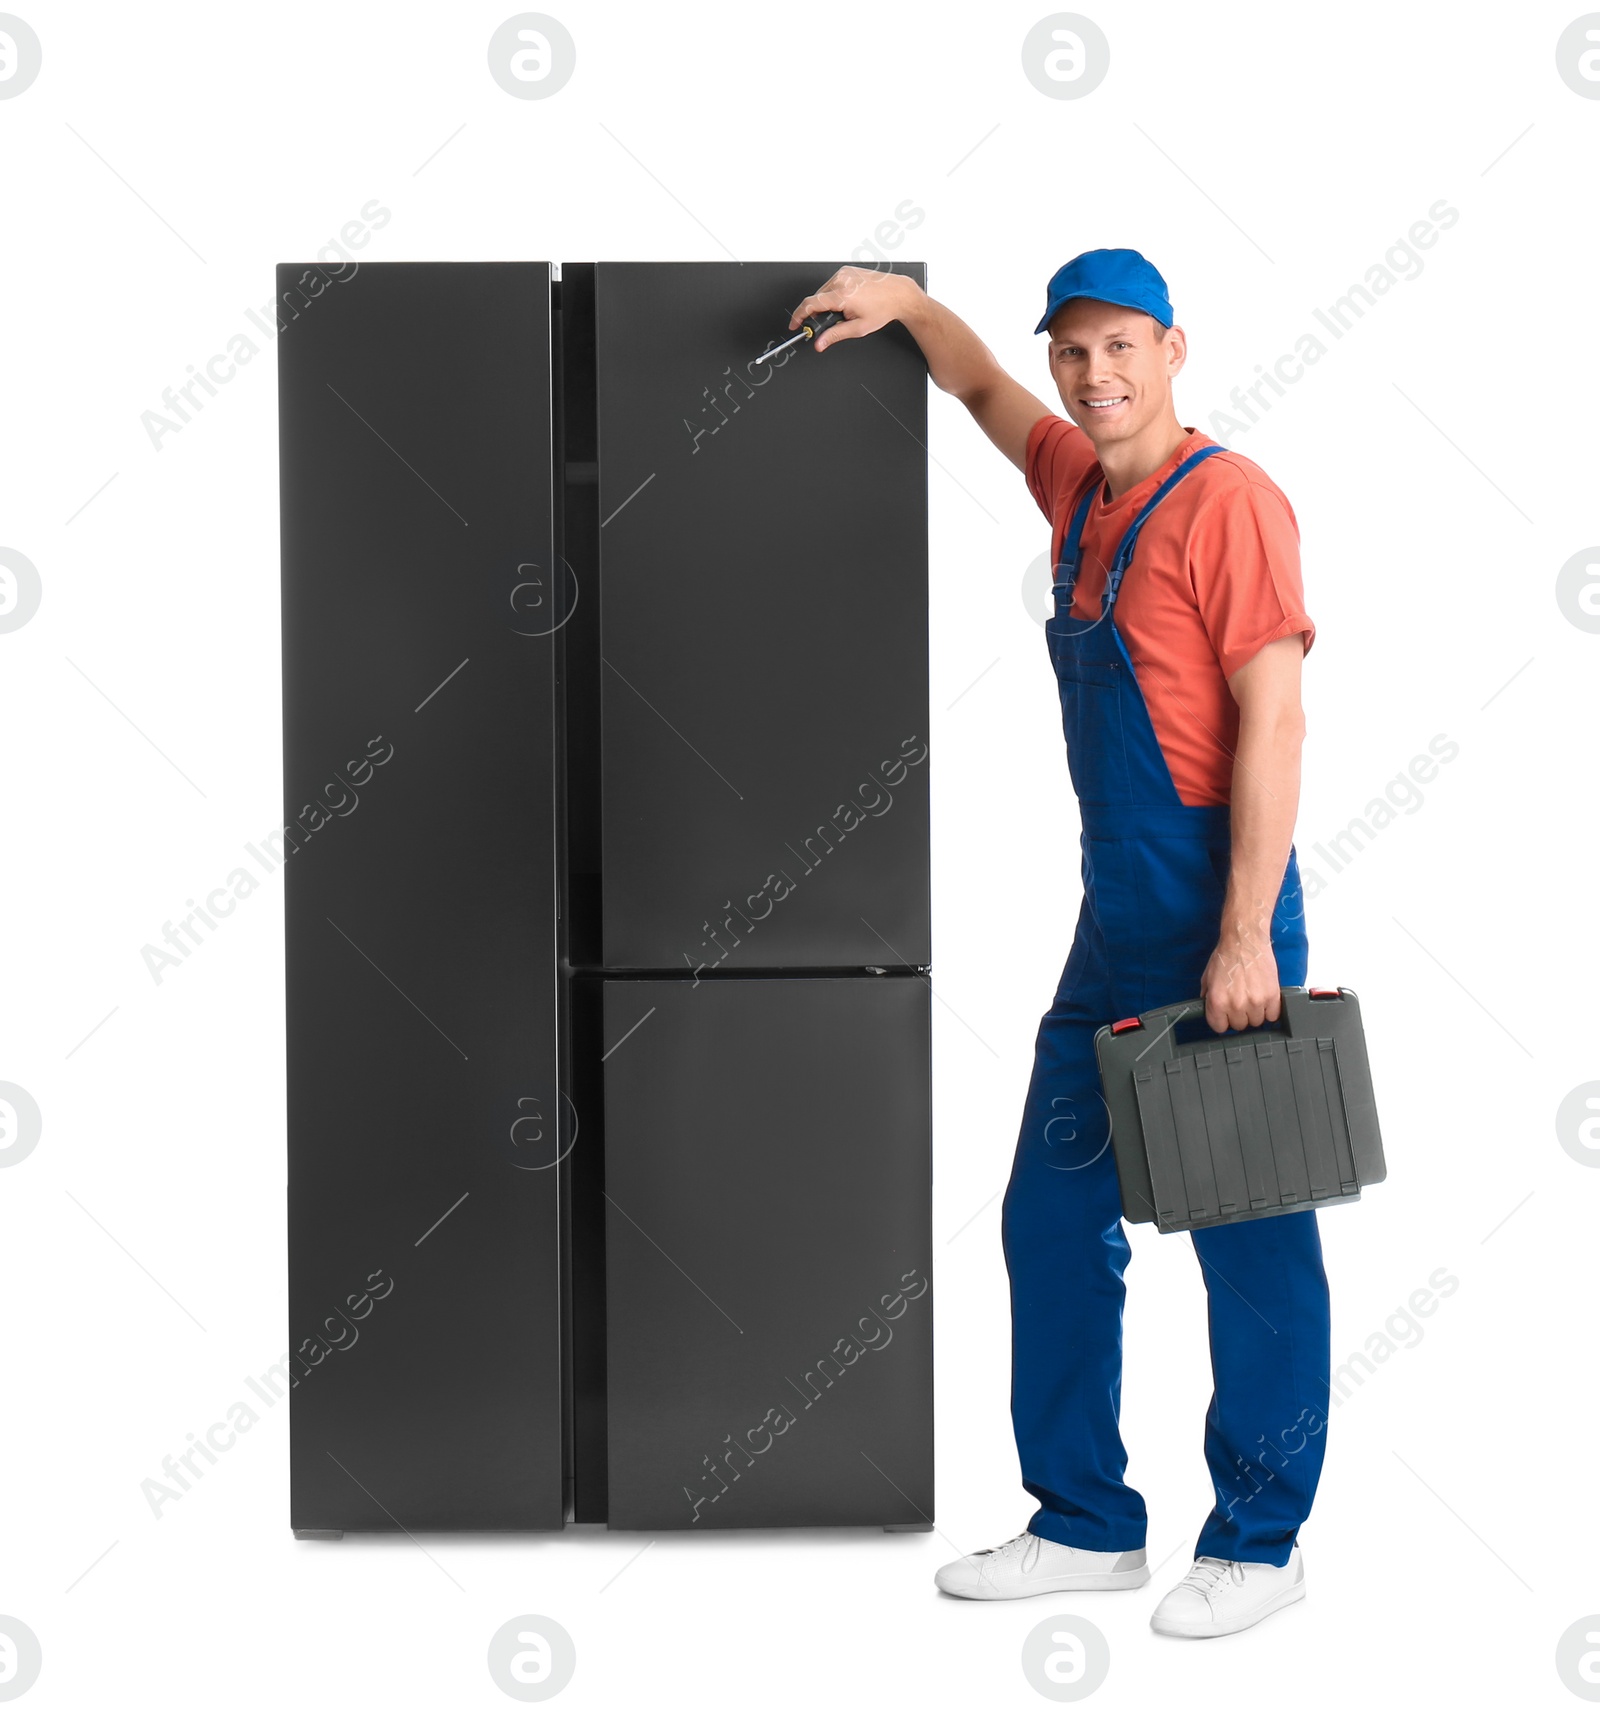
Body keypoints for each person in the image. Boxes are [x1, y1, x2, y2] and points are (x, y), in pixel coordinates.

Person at [786, 250, 1329, 1640]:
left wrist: (1245, 936)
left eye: (1120, 348)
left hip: (1219, 919)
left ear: (1174, 348)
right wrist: (908, 308)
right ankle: (1087, 1520)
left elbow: (1274, 721)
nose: (1095, 376)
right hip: (1113, 928)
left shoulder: (1232, 503)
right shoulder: (1079, 484)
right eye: (1074, 351)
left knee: (1248, 1245)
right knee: (1050, 1214)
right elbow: (974, 385)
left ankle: (1261, 1543)